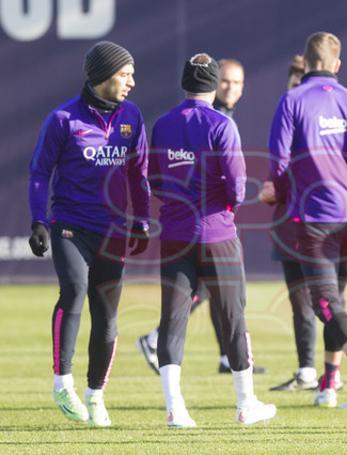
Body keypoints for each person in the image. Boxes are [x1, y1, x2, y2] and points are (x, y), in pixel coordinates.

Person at [149, 52, 275, 427]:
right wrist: (223, 204)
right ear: (214, 84)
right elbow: (237, 185)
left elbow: (154, 179)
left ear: (184, 82)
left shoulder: (162, 124)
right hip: (217, 232)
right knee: (233, 316)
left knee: (172, 321)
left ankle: (175, 409)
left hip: (174, 234)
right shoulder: (222, 124)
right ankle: (245, 404)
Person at [28, 41, 150, 427]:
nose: (132, 81)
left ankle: (96, 395)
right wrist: (38, 220)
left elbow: (139, 174)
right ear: (103, 76)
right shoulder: (63, 118)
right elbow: (38, 172)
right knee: (75, 289)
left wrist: (142, 220)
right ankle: (63, 383)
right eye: (124, 74)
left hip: (113, 230)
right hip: (70, 225)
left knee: (108, 317)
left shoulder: (132, 117)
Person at [269, 32, 347, 409]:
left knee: (324, 303)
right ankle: (330, 382)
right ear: (337, 65)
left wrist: (289, 190)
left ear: (305, 62)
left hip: (314, 215)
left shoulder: (292, 100)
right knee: (334, 301)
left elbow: (278, 163)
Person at [264, 55, 342, 392]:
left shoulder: (325, 120)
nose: (297, 81)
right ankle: (307, 372)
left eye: (302, 75)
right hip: (287, 222)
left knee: (326, 300)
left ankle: (338, 372)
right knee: (299, 300)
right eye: (293, 76)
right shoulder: (286, 116)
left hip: (319, 222)